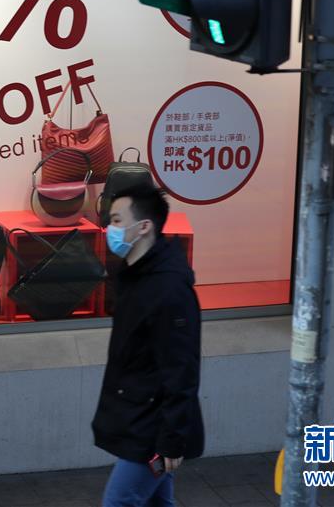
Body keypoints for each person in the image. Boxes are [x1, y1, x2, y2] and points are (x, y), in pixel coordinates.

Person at [92, 184, 204, 507]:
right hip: (141, 417)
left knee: (119, 502)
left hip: (152, 427)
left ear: (143, 227)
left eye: (117, 220)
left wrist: (171, 439)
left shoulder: (168, 288)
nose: (109, 229)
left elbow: (181, 367)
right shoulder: (136, 277)